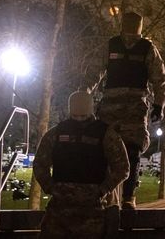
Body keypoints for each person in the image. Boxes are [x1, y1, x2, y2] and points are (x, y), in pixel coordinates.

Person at [87, 10, 165, 210]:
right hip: (122, 107)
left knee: (127, 151)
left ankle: (124, 196)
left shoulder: (141, 48)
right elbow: (160, 80)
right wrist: (159, 104)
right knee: (119, 152)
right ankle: (120, 197)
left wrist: (85, 95)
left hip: (127, 107)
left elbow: (93, 74)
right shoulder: (141, 48)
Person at [33, 91, 129, 239]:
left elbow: (122, 167)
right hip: (61, 208)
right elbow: (40, 164)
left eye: (83, 116)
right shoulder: (56, 133)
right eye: (75, 116)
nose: (79, 120)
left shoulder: (106, 134)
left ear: (90, 111)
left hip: (90, 210)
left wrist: (102, 190)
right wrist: (51, 188)